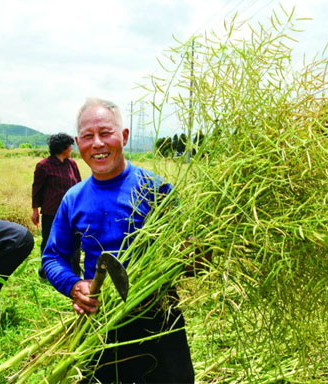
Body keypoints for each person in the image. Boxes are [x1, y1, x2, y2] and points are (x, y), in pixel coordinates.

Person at [42, 98, 194, 383]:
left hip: (159, 317)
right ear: (77, 143)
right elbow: (53, 257)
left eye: (105, 133)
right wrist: (75, 285)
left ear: (123, 137)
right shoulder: (74, 198)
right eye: (88, 136)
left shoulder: (156, 189)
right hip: (100, 321)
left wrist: (195, 257)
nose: (97, 143)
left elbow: (189, 255)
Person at [32, 133, 81, 277]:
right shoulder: (43, 166)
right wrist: (35, 210)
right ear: (62, 147)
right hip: (51, 212)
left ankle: (74, 272)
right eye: (70, 145)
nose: (72, 148)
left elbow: (78, 185)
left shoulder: (72, 164)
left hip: (72, 212)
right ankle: (47, 271)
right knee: (49, 241)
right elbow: (37, 189)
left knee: (75, 241)